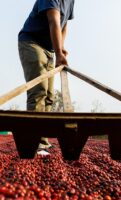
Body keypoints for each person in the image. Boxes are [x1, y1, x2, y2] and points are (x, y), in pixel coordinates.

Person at [18, 0, 75, 154]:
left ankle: (42, 140)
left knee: (49, 96)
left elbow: (64, 25)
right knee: (39, 91)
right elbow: (53, 20)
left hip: (49, 49)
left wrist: (61, 48)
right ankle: (33, 142)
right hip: (32, 42)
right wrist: (59, 53)